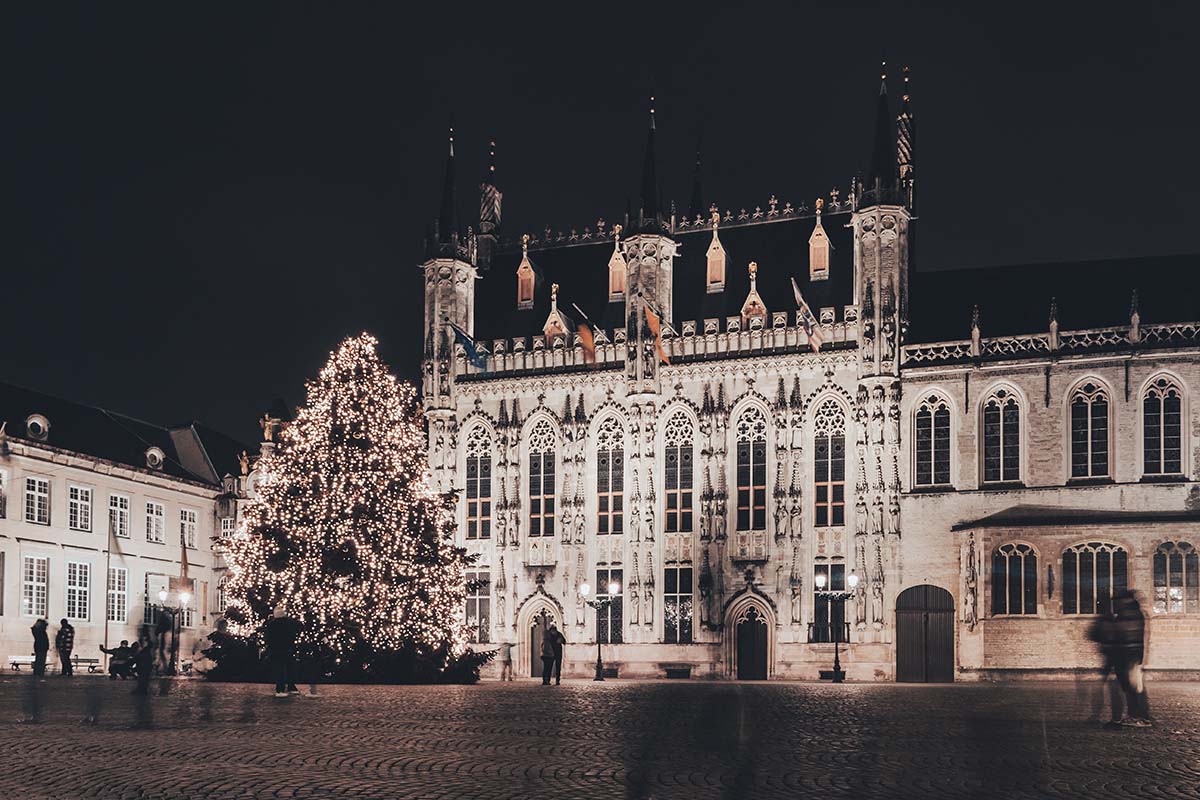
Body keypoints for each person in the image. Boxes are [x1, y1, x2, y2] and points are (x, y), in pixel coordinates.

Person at [1112, 590, 1152, 727]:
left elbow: (1123, 634)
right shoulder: (1134, 613)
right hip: (1132, 656)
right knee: (1133, 688)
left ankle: (1140, 717)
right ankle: (1136, 716)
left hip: (1129, 657)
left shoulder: (1128, 614)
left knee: (1133, 688)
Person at [264, 605, 301, 697]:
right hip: (288, 648)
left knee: (279, 669)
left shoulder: (272, 624)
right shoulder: (290, 623)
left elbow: (268, 638)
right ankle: (291, 686)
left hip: (276, 649)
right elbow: (298, 628)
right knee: (289, 668)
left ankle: (280, 688)